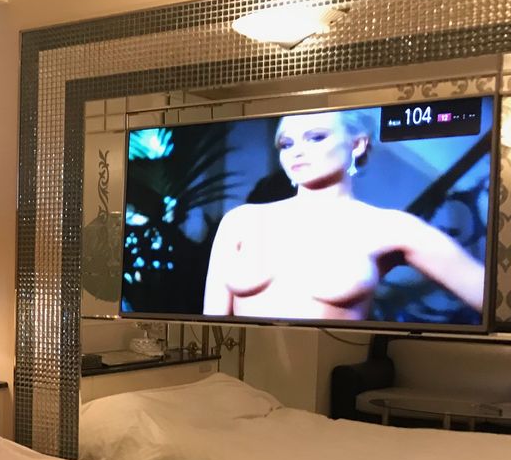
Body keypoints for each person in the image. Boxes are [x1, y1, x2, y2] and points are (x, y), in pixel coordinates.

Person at [202, 109, 486, 321]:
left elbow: (491, 298)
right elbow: (210, 329)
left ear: (357, 144)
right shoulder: (241, 222)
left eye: (316, 137)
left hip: (330, 375)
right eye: (286, 144)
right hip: (239, 376)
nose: (297, 152)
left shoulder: (387, 227)